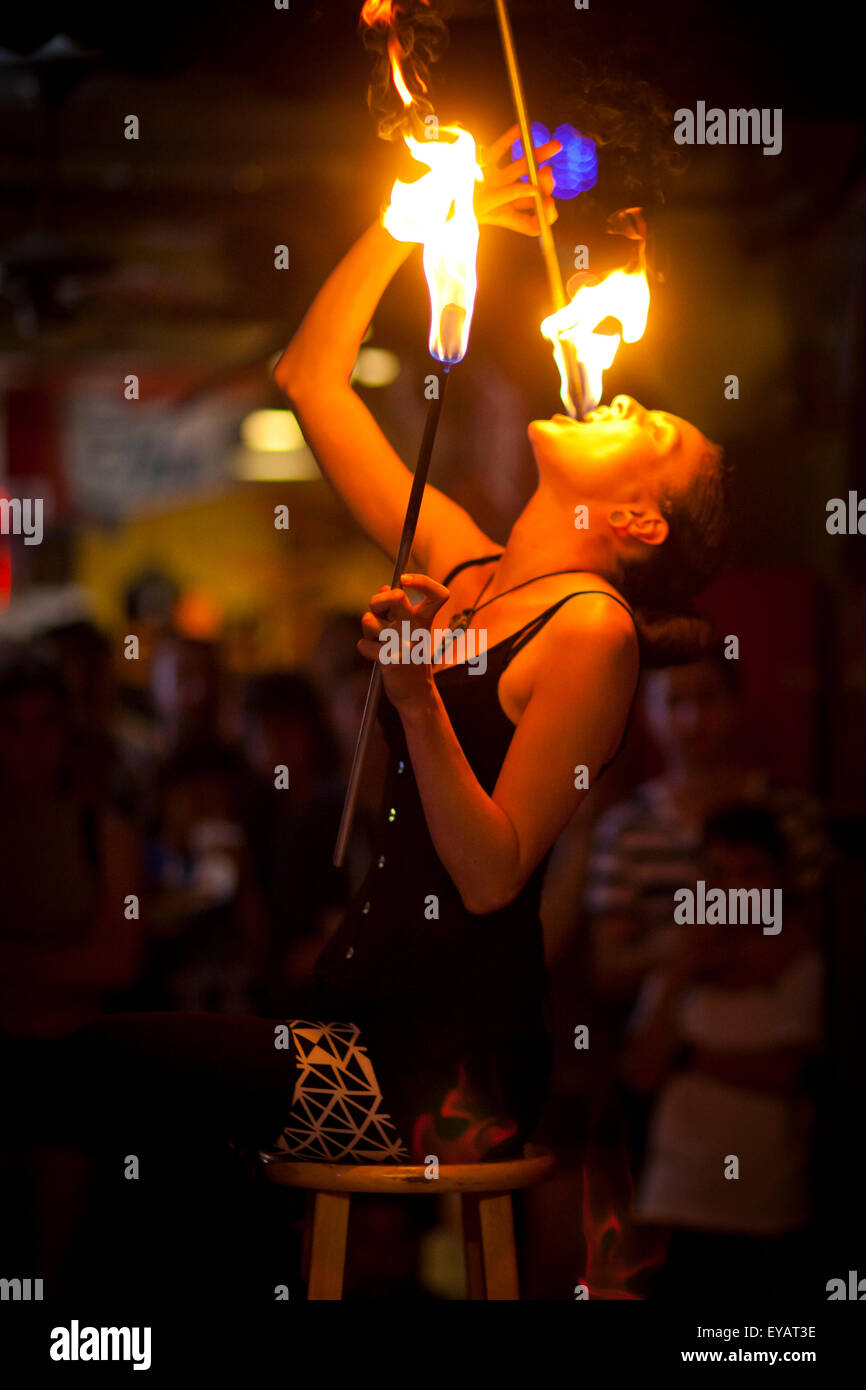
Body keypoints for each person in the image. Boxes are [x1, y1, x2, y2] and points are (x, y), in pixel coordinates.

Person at [53, 126, 727, 1226]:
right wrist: (418, 209)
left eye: (646, 422)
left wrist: (414, 696)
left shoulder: (589, 630)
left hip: (444, 1074)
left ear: (638, 516)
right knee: (127, 1118)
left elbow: (494, 874)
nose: (618, 394)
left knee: (102, 1065)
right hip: (351, 1023)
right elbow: (309, 378)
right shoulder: (461, 563)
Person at [623, 804, 825, 1304]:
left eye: (750, 872)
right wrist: (677, 975)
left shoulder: (805, 964)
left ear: (780, 877)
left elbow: (787, 1071)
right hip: (675, 1202)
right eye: (718, 873)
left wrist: (688, 1057)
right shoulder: (680, 964)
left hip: (766, 1208)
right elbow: (640, 1071)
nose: (735, 889)